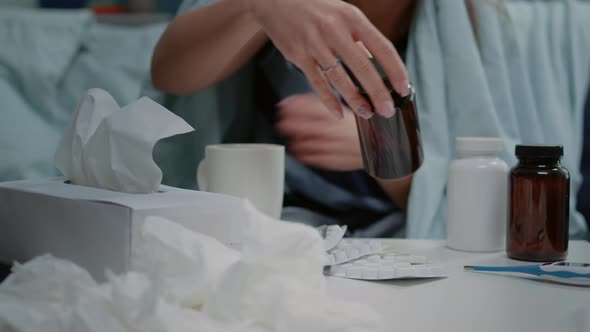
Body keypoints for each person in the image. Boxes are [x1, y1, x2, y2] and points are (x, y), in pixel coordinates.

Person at [151, 0, 590, 239]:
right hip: (280, 233)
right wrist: (258, 7)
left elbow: (497, 218)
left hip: (411, 246)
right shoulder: (284, 14)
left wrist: (384, 152)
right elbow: (169, 74)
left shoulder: (488, 29)